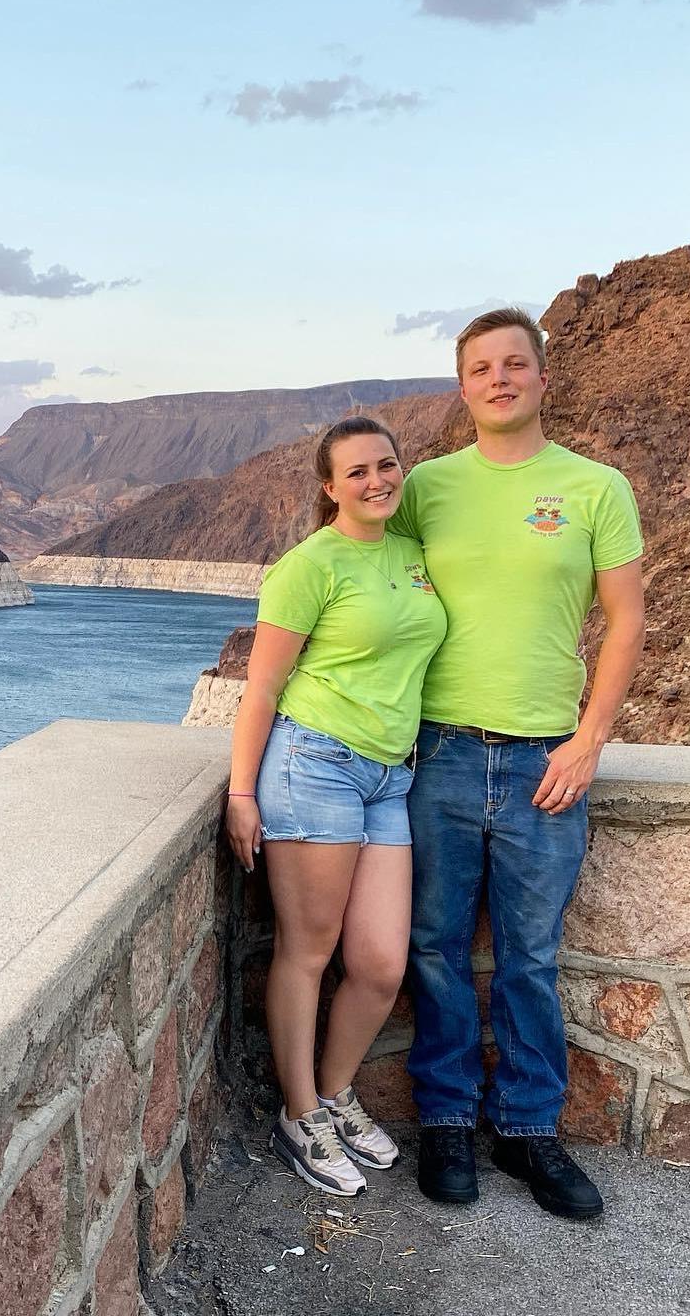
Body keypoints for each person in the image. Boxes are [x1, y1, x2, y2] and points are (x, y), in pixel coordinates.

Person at [388, 307, 645, 1220]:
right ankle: (449, 1118)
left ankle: (532, 1129)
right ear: (463, 387)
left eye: (514, 364)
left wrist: (591, 737)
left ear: (542, 376)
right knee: (437, 948)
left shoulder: (593, 487)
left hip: (547, 761)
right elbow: (369, 583)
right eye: (480, 368)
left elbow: (626, 621)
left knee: (531, 957)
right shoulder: (425, 487)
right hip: (439, 751)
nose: (498, 379)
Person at [225, 415, 447, 1197]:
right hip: (314, 766)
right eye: (356, 472)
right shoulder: (308, 566)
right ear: (330, 487)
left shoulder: (414, 557)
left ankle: (334, 1090)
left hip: (390, 775)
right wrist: (242, 790)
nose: (377, 481)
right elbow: (263, 687)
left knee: (382, 964)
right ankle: (299, 1116)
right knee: (308, 951)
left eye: (386, 466)